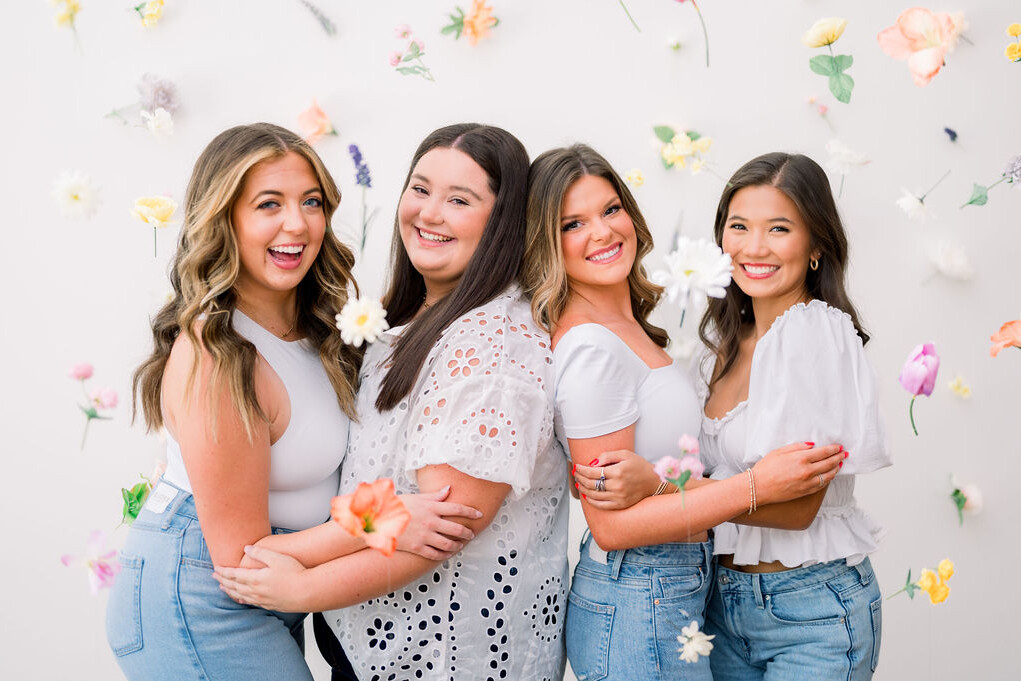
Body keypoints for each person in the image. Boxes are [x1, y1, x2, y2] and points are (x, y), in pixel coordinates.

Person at [106, 123, 476, 681]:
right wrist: (382, 521)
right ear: (224, 218)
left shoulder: (317, 331)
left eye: (310, 202)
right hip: (201, 596)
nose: (297, 224)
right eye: (268, 204)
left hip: (273, 593)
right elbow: (241, 559)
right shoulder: (216, 351)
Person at [214, 123, 570, 681]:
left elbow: (444, 530)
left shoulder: (491, 347)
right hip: (377, 644)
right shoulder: (407, 327)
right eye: (421, 189)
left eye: (460, 200)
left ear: (502, 223)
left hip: (444, 659)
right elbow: (392, 500)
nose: (429, 213)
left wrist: (303, 584)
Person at [521, 144, 847, 681]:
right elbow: (612, 528)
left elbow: (646, 483)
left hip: (671, 591)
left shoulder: (630, 329)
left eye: (609, 209)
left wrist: (654, 482)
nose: (601, 233)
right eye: (572, 223)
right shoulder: (591, 347)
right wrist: (757, 486)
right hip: (637, 593)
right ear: (546, 244)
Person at [697, 152, 891, 680]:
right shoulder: (731, 340)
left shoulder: (812, 334)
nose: (753, 247)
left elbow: (796, 508)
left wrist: (663, 493)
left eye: (778, 228)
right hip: (723, 604)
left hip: (809, 612)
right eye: (739, 226)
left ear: (815, 246)